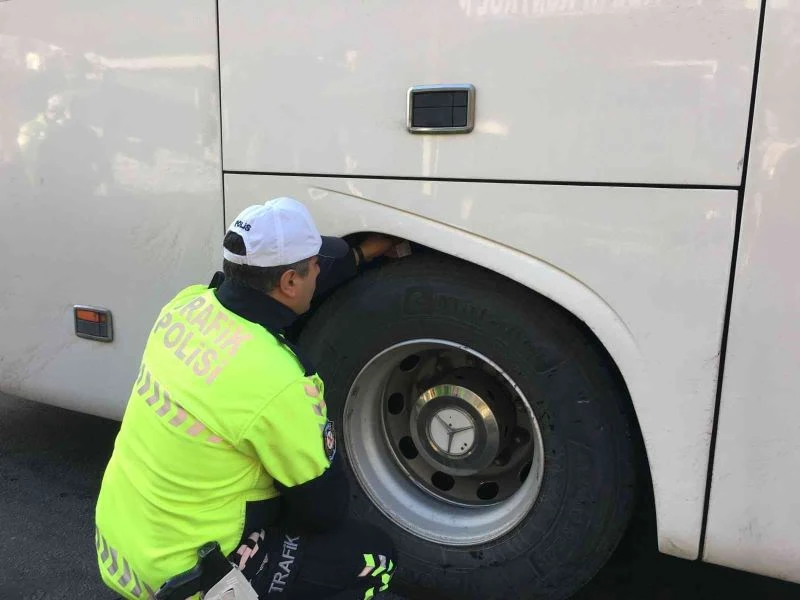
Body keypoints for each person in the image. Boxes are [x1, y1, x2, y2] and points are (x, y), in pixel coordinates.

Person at [95, 197, 398, 600]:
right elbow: (323, 511)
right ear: (290, 281)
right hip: (189, 580)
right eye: (315, 264)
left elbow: (264, 292)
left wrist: (359, 254)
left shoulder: (185, 305)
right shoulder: (279, 379)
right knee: (375, 557)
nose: (321, 270)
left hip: (124, 550)